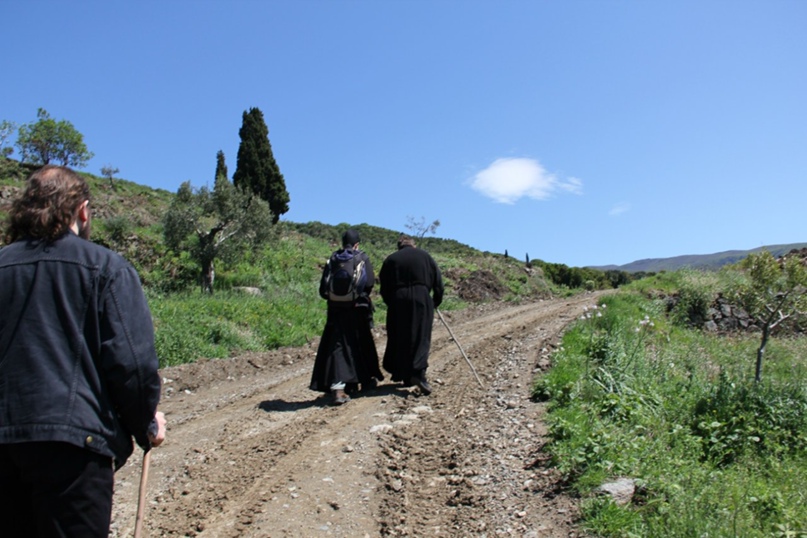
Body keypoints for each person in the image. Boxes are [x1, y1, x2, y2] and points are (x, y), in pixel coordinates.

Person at [0, 165, 167, 538]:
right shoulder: (105, 267)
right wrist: (146, 424)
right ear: (83, 211)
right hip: (72, 450)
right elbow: (132, 364)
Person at [310, 229, 383, 405]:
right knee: (360, 343)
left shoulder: (333, 259)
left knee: (337, 346)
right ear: (357, 244)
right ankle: (354, 384)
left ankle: (340, 386)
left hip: (335, 310)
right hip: (357, 308)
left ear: (343, 243)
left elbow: (323, 290)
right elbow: (369, 283)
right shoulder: (362, 257)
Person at [379, 234, 444, 395]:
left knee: (400, 336)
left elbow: (383, 288)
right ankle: (418, 374)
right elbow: (438, 282)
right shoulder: (425, 256)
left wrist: (392, 303)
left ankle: (403, 373)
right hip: (421, 298)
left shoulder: (391, 259)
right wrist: (435, 302)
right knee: (421, 337)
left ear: (399, 246)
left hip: (398, 299)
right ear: (413, 245)